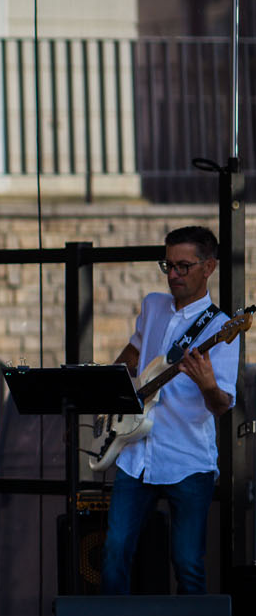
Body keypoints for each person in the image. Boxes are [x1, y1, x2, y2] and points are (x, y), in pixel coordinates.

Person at [102, 225, 237, 595]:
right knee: (114, 552)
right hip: (135, 452)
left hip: (187, 458)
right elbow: (135, 350)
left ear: (208, 267)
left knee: (188, 562)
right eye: (168, 266)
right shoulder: (153, 305)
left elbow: (221, 405)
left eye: (183, 266)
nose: (173, 274)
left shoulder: (222, 328)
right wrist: (110, 393)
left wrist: (207, 384)